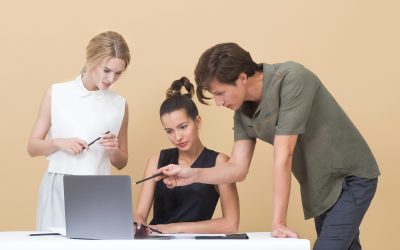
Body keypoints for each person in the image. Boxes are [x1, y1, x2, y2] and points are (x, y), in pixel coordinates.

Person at [155, 43, 380, 249]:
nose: (219, 102)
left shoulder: (293, 78)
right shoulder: (242, 110)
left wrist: (278, 223)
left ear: (241, 77)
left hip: (350, 177)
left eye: (220, 93)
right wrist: (191, 174)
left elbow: (284, 153)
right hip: (320, 187)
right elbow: (237, 169)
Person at [27, 31, 131, 230]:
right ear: (92, 60)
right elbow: (32, 147)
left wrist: (113, 149)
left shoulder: (120, 105)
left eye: (118, 73)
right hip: (59, 185)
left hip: (99, 189)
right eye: (107, 70)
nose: (111, 79)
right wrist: (59, 142)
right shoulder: (56, 93)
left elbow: (121, 162)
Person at [134, 77, 239, 234]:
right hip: (157, 243)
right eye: (169, 131)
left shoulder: (219, 162)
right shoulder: (156, 161)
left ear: (198, 122)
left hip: (193, 244)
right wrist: (135, 223)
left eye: (183, 127)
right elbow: (140, 214)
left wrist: (174, 228)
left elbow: (230, 224)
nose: (177, 137)